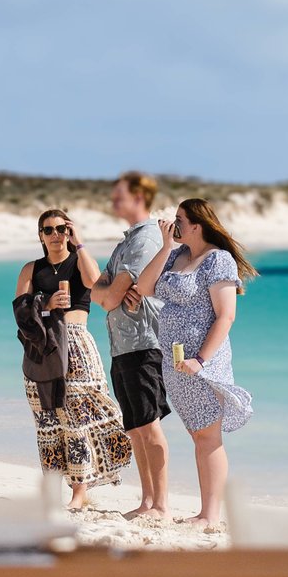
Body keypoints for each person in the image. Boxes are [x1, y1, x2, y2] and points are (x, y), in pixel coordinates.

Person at [135, 197, 257, 528]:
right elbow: (144, 288)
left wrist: (200, 360)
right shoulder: (177, 255)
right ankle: (206, 512)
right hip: (174, 364)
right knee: (197, 436)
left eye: (178, 219)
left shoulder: (218, 260)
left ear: (196, 226)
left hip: (202, 364)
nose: (173, 223)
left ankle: (210, 515)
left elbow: (226, 315)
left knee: (208, 437)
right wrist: (164, 246)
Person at [17, 207, 133, 511]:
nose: (56, 235)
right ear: (40, 236)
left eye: (62, 229)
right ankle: (52, 489)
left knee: (78, 418)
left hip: (77, 342)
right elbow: (20, 312)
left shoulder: (78, 261)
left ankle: (80, 493)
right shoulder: (32, 269)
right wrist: (45, 305)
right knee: (47, 422)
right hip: (42, 348)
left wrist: (79, 242)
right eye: (49, 230)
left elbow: (95, 282)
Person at [90, 172, 173, 520]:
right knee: (136, 426)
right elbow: (97, 290)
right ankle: (147, 500)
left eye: (119, 195)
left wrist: (109, 291)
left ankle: (161, 505)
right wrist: (109, 290)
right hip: (122, 344)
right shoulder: (126, 241)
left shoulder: (145, 239)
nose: (113, 202)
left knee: (149, 424)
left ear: (139, 196)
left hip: (143, 342)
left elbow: (107, 298)